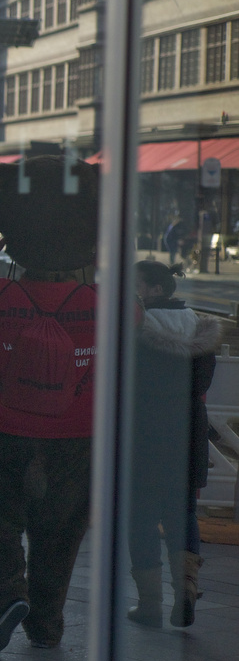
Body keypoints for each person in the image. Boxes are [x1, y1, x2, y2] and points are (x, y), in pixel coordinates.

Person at [0, 156, 99, 655]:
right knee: (61, 530)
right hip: (75, 432)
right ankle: (47, 624)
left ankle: (7, 598)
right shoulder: (104, 303)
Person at [127, 261, 219, 627]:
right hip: (188, 432)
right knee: (182, 514)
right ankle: (187, 591)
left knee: (141, 518)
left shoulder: (136, 327)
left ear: (153, 290)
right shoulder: (199, 328)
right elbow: (202, 385)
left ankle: (149, 604)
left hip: (143, 435)